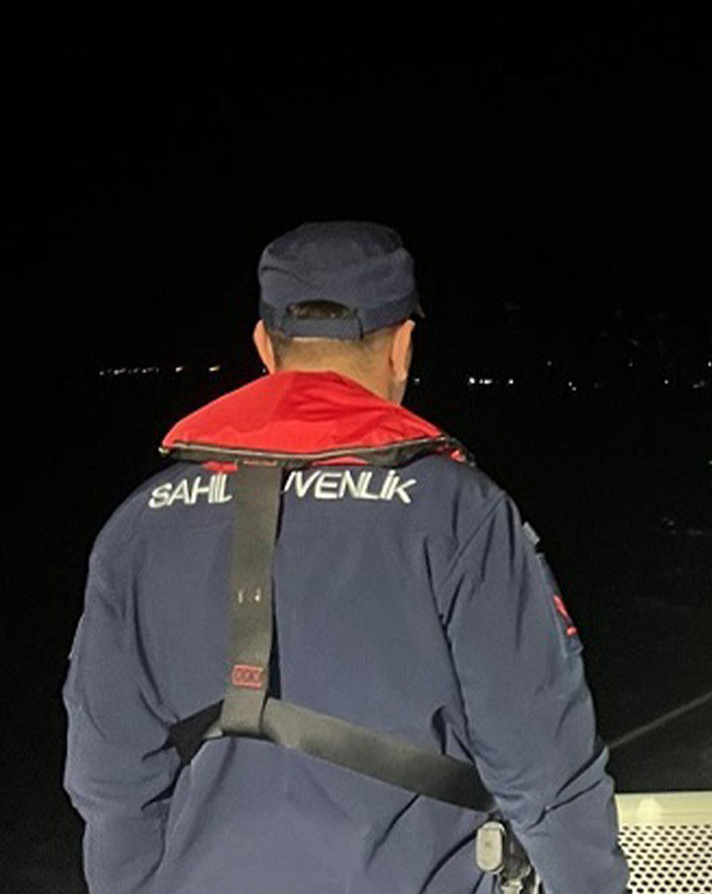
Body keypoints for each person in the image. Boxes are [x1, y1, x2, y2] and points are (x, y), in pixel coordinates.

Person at [63, 221, 629, 893]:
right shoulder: (457, 511)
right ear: (403, 347)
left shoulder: (137, 526)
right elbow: (546, 770)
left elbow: (110, 781)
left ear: (263, 348)